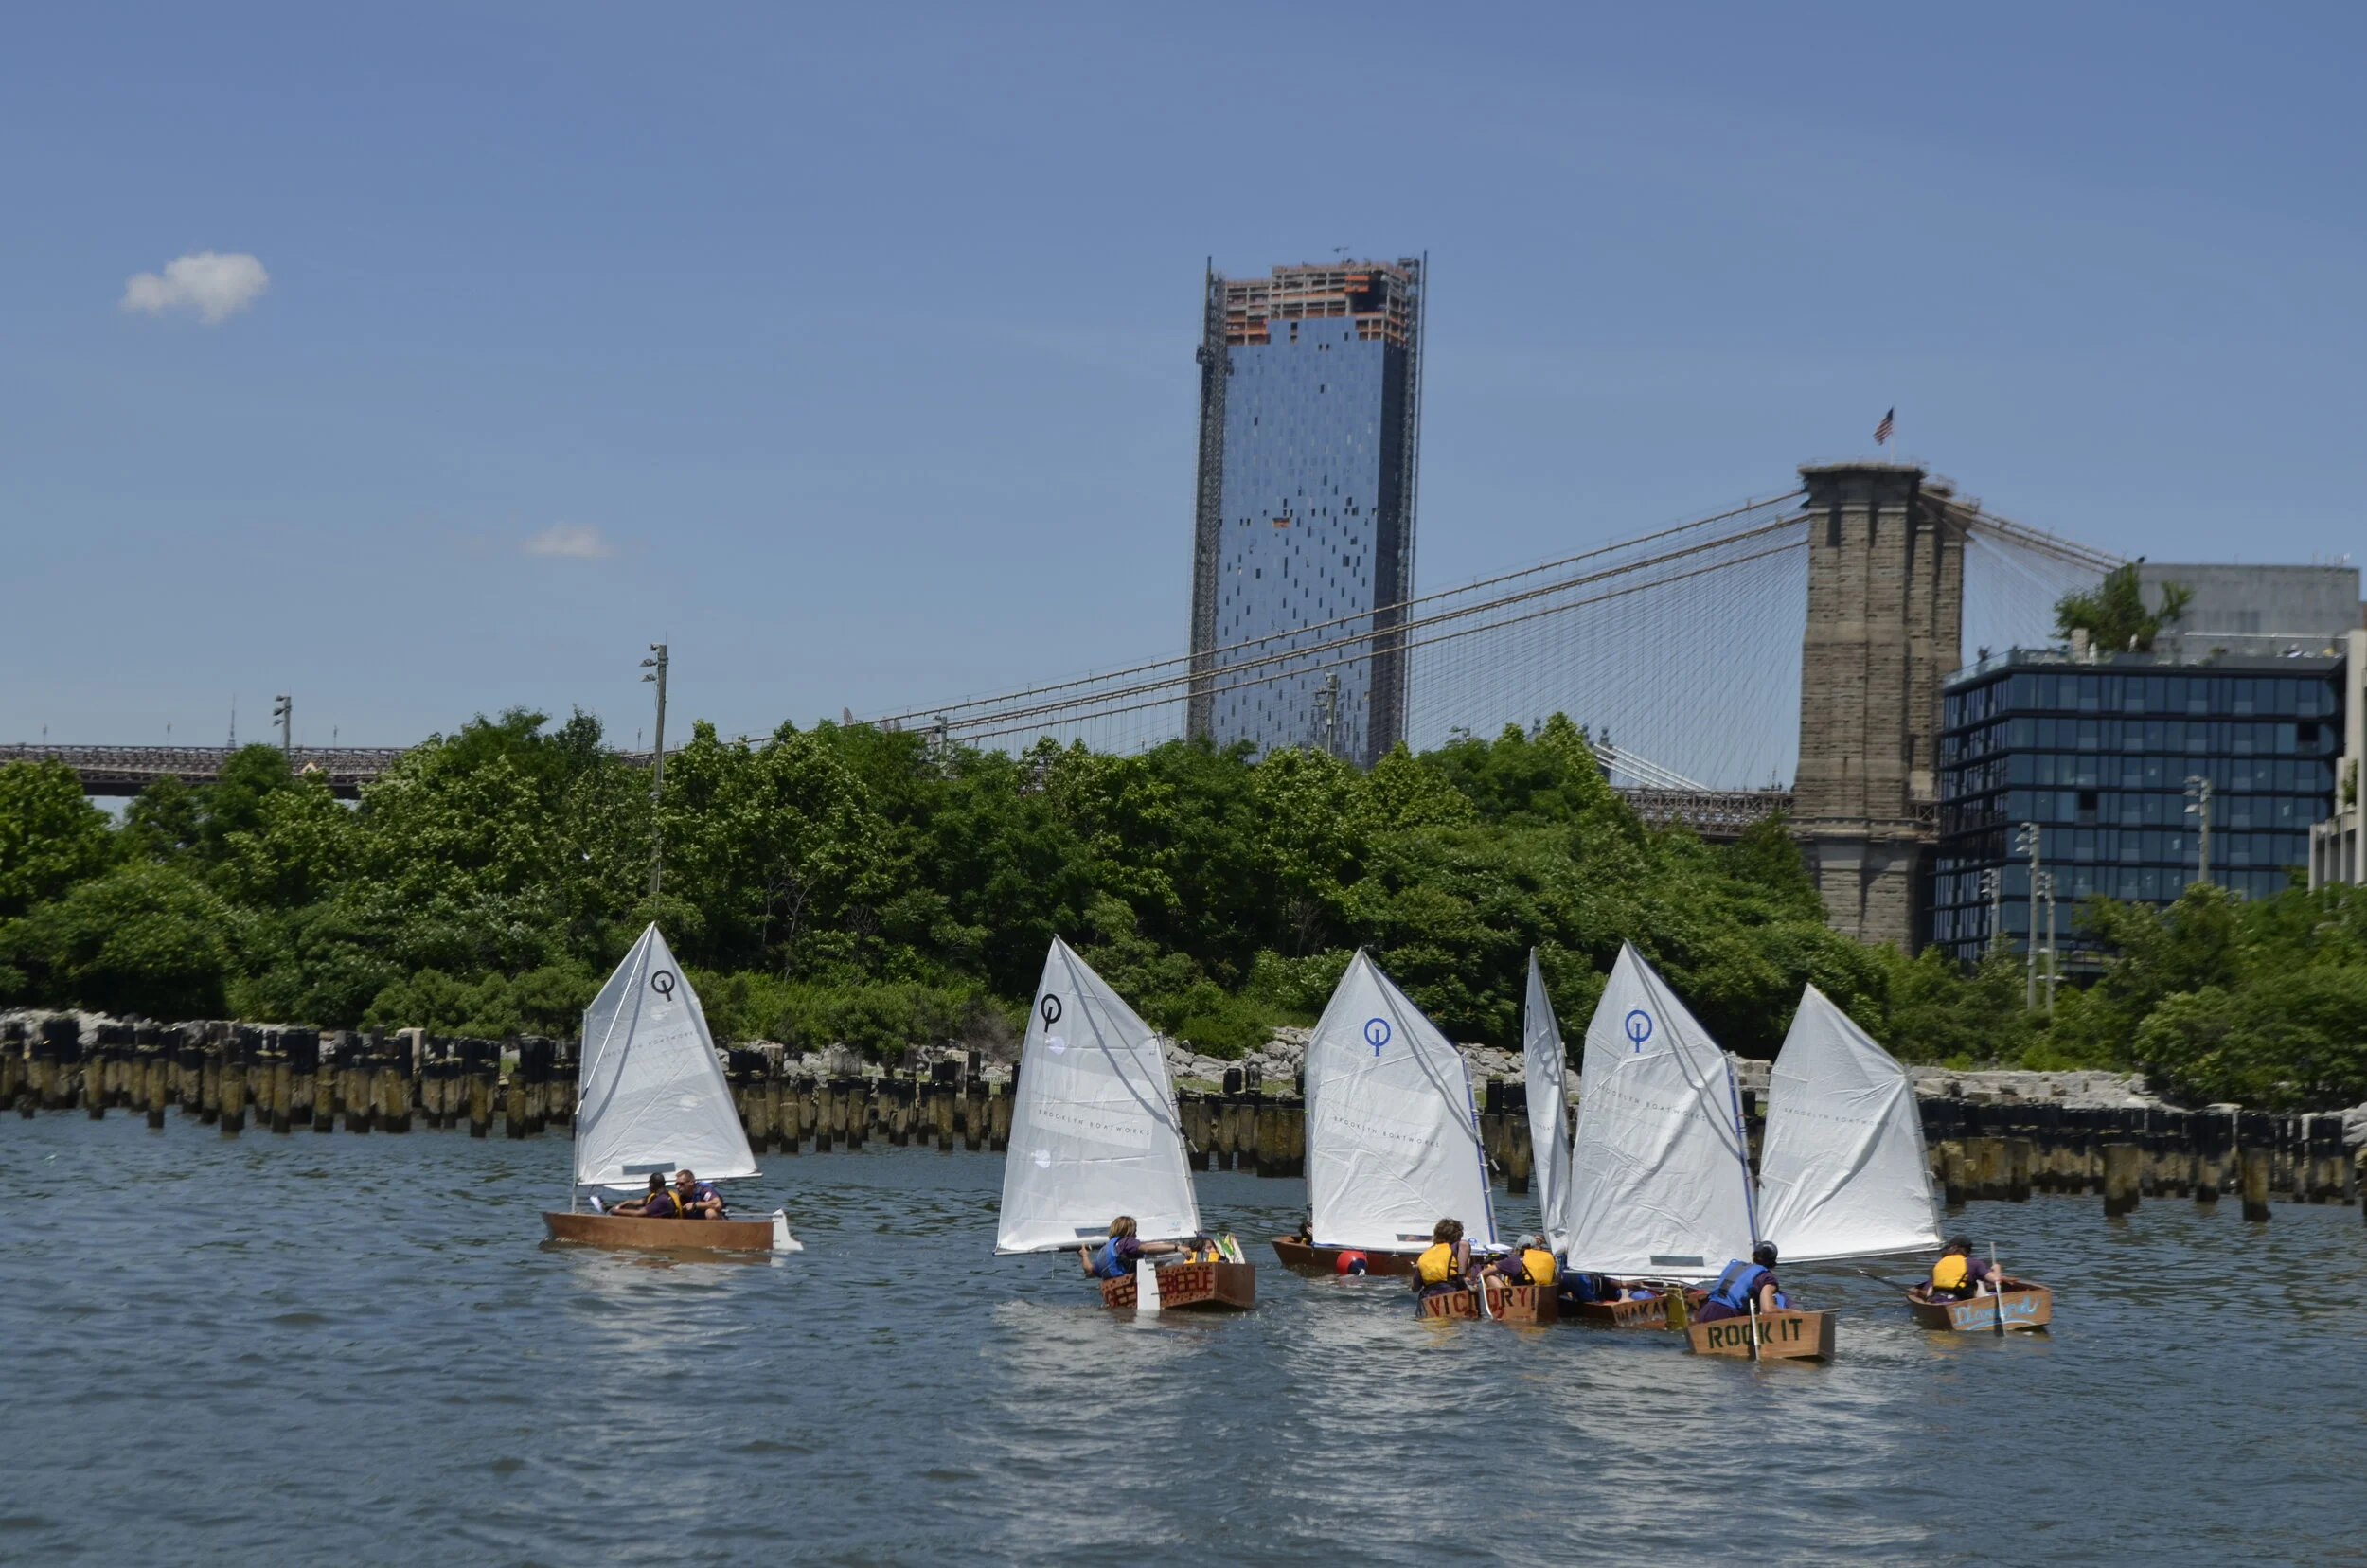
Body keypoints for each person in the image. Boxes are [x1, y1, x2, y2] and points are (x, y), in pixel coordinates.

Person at [1077, 1216, 1200, 1279]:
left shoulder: (1104, 1250)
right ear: (1128, 1231)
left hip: (1116, 1289)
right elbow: (1146, 1248)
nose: (1135, 1235)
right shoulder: (1126, 1242)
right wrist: (1177, 1247)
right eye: (1134, 1231)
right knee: (1175, 1257)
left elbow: (1089, 1270)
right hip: (1130, 1284)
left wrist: (1084, 1255)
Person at [1695, 1241, 1787, 1323]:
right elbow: (1768, 1310)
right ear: (1774, 1264)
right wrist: (1796, 1313)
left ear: (1753, 1255)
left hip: (1706, 1312)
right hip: (1726, 1316)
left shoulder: (1734, 1265)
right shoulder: (1766, 1277)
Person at [1411, 1218, 1471, 1298]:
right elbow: (1461, 1278)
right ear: (1458, 1235)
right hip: (1452, 1292)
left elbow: (1415, 1288)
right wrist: (1463, 1279)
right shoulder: (1458, 1246)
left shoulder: (1424, 1255)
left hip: (1429, 1296)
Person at [1484, 1234, 1557, 1289]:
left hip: (1520, 1300)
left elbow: (1482, 1274)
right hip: (1545, 1296)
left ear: (1518, 1248)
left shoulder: (1513, 1260)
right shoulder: (1548, 1258)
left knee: (1490, 1278)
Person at [612, 1174, 683, 1219]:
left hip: (662, 1229)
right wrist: (625, 1202)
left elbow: (638, 1214)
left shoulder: (662, 1200)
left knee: (627, 1212)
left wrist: (616, 1211)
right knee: (629, 1205)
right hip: (657, 1225)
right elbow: (637, 1202)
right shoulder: (662, 1195)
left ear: (652, 1184)